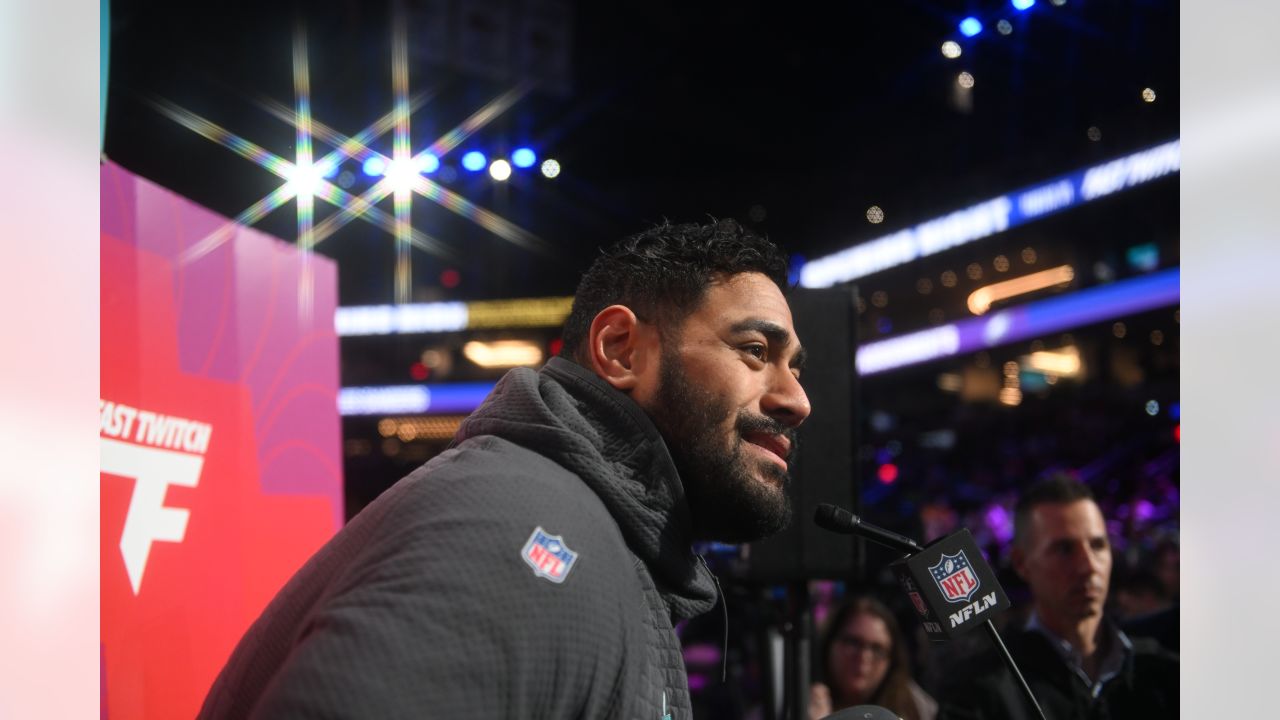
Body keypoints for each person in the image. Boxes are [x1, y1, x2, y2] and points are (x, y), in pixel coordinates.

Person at [197, 218, 811, 719]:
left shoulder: (582, 530)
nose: (797, 400)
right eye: (756, 352)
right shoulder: (527, 525)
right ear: (621, 350)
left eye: (796, 367)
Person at [936, 476, 1178, 719]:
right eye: (1064, 550)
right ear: (1021, 563)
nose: (1088, 566)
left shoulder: (1164, 672)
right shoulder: (982, 690)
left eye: (1098, 545)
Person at [810, 597, 938, 720]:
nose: (864, 656)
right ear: (830, 643)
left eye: (877, 649)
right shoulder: (800, 698)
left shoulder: (915, 705)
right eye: (853, 643)